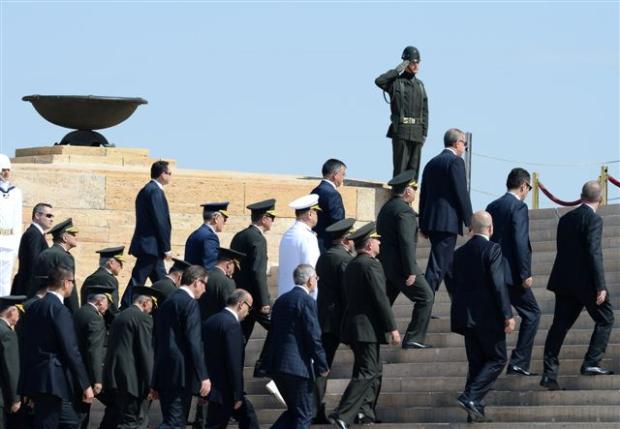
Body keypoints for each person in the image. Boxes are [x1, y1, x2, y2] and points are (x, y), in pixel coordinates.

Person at [540, 181, 615, 390]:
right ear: (600, 199)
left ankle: (549, 373)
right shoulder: (594, 220)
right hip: (586, 283)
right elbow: (594, 252)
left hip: (563, 281)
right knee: (606, 318)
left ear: (581, 196)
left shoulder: (565, 219)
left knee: (559, 326)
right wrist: (600, 286)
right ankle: (591, 362)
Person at [330, 222, 400, 429]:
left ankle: (365, 411)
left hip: (355, 327)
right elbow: (380, 298)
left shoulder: (352, 264)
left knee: (373, 370)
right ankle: (343, 414)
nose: (379, 243)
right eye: (377, 240)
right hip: (366, 328)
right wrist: (392, 327)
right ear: (369, 245)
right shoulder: (371, 265)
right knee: (368, 371)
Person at [449, 211, 515, 423]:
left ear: (470, 229)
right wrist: (507, 314)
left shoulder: (458, 253)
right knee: (498, 358)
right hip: (488, 317)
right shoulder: (492, 249)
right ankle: (470, 397)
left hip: (466, 318)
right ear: (491, 228)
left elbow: (450, 281)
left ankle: (474, 411)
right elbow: (498, 284)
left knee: (476, 364)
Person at [19, 266, 94, 428]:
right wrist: (85, 385)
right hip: (52, 380)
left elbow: (26, 346)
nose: (73, 286)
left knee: (69, 422)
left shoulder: (34, 307)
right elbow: (71, 350)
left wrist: (25, 384)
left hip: (36, 378)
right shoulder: (59, 310)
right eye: (72, 282)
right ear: (66, 283)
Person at [486, 168, 541, 376]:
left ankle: (493, 361)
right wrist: (525, 272)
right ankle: (518, 362)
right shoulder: (518, 207)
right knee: (533, 314)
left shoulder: (493, 206)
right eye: (528, 188)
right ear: (523, 186)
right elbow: (519, 241)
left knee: (500, 316)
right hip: (512, 275)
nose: (527, 192)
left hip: (494, 271)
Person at [264, 264, 328, 429]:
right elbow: (313, 336)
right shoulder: (307, 301)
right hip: (297, 367)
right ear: (310, 280)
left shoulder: (281, 300)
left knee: (294, 411)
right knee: (304, 414)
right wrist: (322, 364)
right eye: (316, 278)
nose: (316, 282)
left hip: (278, 364)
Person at [377, 170, 434, 349]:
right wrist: (411, 270)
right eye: (414, 189)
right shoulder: (405, 212)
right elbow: (406, 242)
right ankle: (414, 338)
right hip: (402, 267)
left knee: (384, 300)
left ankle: (374, 332)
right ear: (408, 191)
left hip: (389, 266)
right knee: (426, 297)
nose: (415, 193)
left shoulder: (387, 208)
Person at [152, 265, 211, 428]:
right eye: (204, 284)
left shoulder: (167, 303)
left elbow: (158, 342)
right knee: (175, 424)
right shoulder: (189, 303)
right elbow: (194, 342)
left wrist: (155, 380)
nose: (205, 290)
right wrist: (203, 376)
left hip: (165, 371)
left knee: (175, 421)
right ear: (196, 282)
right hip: (180, 374)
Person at [419, 128, 473, 294]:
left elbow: (424, 196)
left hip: (433, 222)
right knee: (436, 267)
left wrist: (423, 224)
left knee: (449, 267)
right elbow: (461, 192)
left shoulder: (431, 163)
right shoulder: (456, 162)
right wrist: (470, 220)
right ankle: (424, 304)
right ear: (457, 143)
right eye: (465, 144)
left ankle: (461, 306)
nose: (465, 148)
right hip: (447, 223)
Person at [101, 285, 162, 429]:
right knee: (131, 421)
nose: (152, 310)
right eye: (152, 305)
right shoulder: (143, 319)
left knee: (113, 417)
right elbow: (146, 352)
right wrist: (152, 383)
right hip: (130, 381)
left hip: (114, 376)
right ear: (146, 302)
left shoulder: (120, 315)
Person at [312, 218, 355, 424]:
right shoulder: (344, 260)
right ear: (346, 240)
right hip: (340, 319)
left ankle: (315, 409)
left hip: (324, 318)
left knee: (323, 367)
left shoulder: (325, 257)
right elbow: (348, 292)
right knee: (367, 364)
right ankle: (356, 408)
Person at [202, 289, 260, 429]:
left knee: (246, 415)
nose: (248, 312)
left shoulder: (211, 320)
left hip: (213, 386)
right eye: (249, 307)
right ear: (241, 304)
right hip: (225, 389)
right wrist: (237, 394)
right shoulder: (232, 325)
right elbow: (234, 362)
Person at [124, 160, 173, 308]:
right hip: (151, 246)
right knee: (138, 279)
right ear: (162, 174)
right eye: (169, 173)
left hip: (151, 247)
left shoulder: (148, 190)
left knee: (162, 281)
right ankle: (125, 306)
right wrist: (166, 247)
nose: (171, 177)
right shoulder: (155, 191)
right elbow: (160, 221)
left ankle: (170, 306)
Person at [375, 47, 429, 179]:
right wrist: (399, 69)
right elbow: (379, 81)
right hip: (401, 131)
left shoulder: (420, 85)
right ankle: (398, 195)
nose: (416, 65)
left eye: (417, 62)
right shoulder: (396, 83)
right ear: (406, 63)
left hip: (417, 133)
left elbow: (425, 111)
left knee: (413, 172)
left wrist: (424, 133)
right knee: (400, 170)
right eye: (412, 62)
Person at [230, 199, 276, 342]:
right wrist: (264, 302)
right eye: (272, 217)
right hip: (254, 300)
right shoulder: (258, 239)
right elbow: (258, 271)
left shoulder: (240, 236)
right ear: (264, 219)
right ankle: (264, 363)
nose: (273, 221)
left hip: (240, 296)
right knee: (280, 330)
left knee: (240, 338)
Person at [73, 285, 114, 429]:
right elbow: (94, 351)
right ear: (100, 302)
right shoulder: (96, 319)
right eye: (108, 303)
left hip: (75, 371)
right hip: (88, 375)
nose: (107, 307)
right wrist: (97, 380)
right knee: (83, 415)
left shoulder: (79, 312)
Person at [278, 195, 321, 299]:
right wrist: (313, 299)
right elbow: (311, 270)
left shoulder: (288, 234)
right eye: (316, 212)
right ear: (310, 214)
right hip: (302, 298)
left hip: (285, 295)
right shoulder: (307, 237)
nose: (317, 216)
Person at [33, 218, 80, 313]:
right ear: (65, 238)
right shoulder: (65, 257)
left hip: (39, 303)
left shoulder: (44, 254)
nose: (76, 237)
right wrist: (74, 312)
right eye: (73, 234)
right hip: (58, 307)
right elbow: (68, 285)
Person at [11, 202, 53, 296]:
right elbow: (35, 262)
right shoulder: (34, 234)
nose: (51, 220)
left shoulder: (36, 234)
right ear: (37, 215)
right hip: (30, 289)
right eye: (48, 216)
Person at [81, 246, 125, 326]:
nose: (121, 266)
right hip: (102, 325)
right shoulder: (108, 279)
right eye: (119, 262)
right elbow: (112, 307)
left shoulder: (92, 277)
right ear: (111, 263)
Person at [0, 295, 26, 429]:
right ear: (12, 312)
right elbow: (12, 368)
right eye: (18, 312)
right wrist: (16, 398)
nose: (19, 316)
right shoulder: (7, 333)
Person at [199, 248, 245, 321]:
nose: (234, 271)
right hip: (217, 326)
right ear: (229, 264)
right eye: (234, 267)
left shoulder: (203, 274)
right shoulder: (227, 282)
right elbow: (230, 309)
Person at [311, 159, 346, 254]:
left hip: (314, 243)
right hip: (328, 246)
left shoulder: (315, 191)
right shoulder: (333, 194)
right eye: (343, 174)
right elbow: (338, 223)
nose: (344, 178)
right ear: (335, 175)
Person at [0, 154, 23, 297]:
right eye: (3, 170)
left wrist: (17, 244)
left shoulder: (16, 192)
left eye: (8, 170)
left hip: (9, 241)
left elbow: (17, 219)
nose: (6, 173)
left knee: (5, 279)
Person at [185, 202, 230, 270]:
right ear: (216, 218)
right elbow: (210, 267)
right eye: (224, 219)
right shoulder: (210, 237)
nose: (225, 223)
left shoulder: (194, 234)